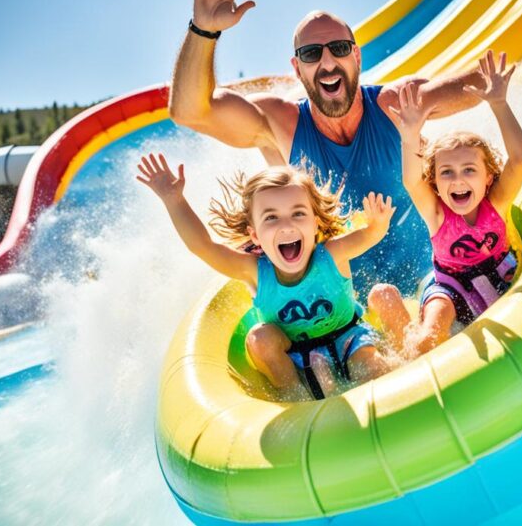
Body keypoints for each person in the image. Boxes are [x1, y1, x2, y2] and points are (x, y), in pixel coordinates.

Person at [169, 0, 489, 294]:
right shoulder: (279, 124)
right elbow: (190, 112)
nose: (327, 62)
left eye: (338, 49)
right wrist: (204, 31)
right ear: (297, 69)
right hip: (341, 312)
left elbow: (472, 87)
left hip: (438, 277)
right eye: (310, 54)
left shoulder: (395, 105)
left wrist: (491, 79)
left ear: (357, 57)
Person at [136, 153, 398, 400]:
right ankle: (296, 397)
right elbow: (202, 247)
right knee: (260, 339)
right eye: (271, 218)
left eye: (298, 213)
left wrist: (378, 224)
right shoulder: (254, 272)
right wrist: (174, 200)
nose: (286, 225)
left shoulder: (332, 254)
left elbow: (369, 236)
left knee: (370, 367)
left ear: (315, 223)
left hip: (349, 336)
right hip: (296, 353)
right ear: (255, 235)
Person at [369, 51, 522, 356]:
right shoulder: (437, 214)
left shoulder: (496, 201)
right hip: (450, 287)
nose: (457, 180)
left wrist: (499, 104)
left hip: (498, 275)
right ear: (436, 183)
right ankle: (413, 362)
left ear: (487, 177)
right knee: (431, 333)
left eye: (469, 170)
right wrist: (410, 134)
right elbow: (412, 181)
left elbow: (520, 159)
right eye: (447, 173)